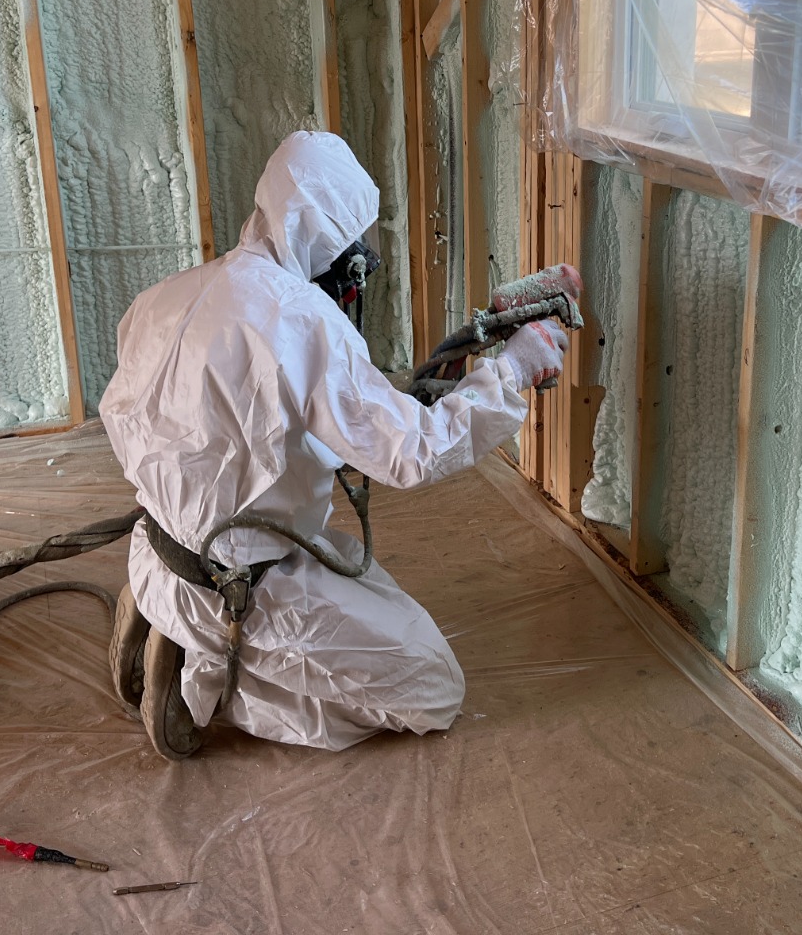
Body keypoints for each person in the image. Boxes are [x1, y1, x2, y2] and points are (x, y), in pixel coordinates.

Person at [100, 130, 572, 757]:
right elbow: (413, 451)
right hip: (240, 586)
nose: (359, 267)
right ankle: (205, 675)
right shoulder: (300, 321)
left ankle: (157, 607)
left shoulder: (173, 293)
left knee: (372, 591)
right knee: (433, 686)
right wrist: (514, 369)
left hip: (162, 545)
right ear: (325, 239)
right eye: (352, 243)